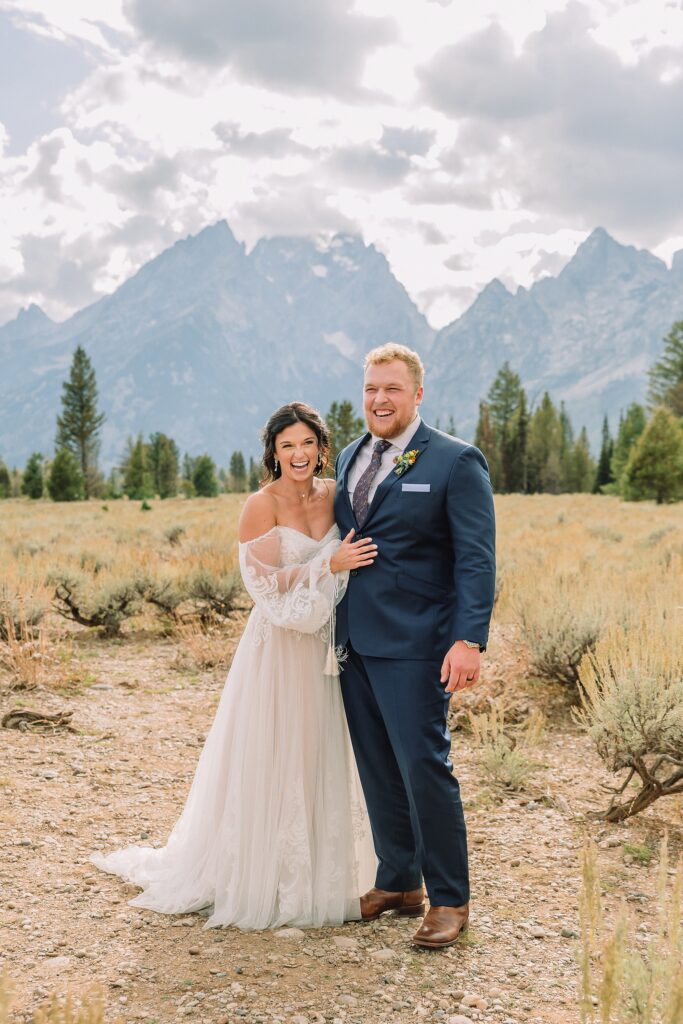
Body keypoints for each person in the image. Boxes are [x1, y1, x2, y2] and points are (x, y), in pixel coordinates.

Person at [91, 402, 377, 929]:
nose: (298, 454)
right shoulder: (260, 505)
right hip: (278, 647)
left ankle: (323, 871)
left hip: (327, 645)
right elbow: (264, 581)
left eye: (307, 444)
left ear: (321, 447)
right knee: (274, 747)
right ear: (273, 451)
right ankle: (261, 873)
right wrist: (325, 564)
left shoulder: (337, 494)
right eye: (287, 445)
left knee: (319, 746)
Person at [334, 343, 496, 949]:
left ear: (418, 394)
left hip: (419, 645)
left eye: (393, 389)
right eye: (372, 388)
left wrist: (468, 639)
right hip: (354, 642)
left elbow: (477, 560)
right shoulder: (351, 455)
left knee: (425, 768)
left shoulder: (456, 461)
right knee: (377, 768)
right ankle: (399, 881)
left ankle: (450, 897)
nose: (380, 399)